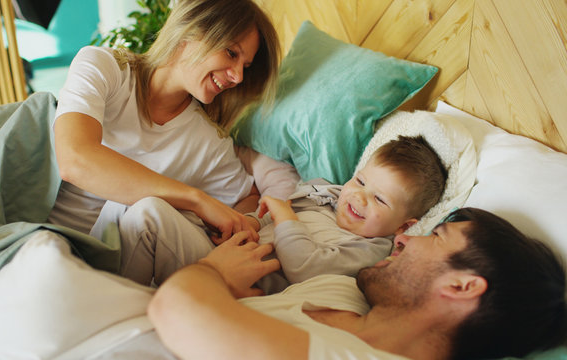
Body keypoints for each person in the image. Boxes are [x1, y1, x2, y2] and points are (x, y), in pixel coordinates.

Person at [147, 207, 567, 360]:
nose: (404, 236)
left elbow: (177, 309)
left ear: (461, 287)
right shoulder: (341, 290)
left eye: (435, 237)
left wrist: (213, 272)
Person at [47, 0, 281, 242]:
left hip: (118, 264)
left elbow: (248, 197)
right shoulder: (105, 68)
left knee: (146, 209)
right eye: (231, 53)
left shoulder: (208, 141)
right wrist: (196, 200)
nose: (238, 76)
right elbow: (74, 160)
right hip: (52, 244)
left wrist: (237, 227)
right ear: (189, 31)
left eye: (245, 66)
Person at [95, 135, 447, 293]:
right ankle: (105, 287)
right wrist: (247, 224)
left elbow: (305, 268)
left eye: (380, 199)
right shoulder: (326, 192)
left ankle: (115, 307)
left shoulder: (371, 250)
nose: (360, 197)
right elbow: (264, 216)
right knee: (134, 203)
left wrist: (285, 218)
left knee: (148, 216)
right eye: (360, 180)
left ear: (405, 225)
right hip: (227, 248)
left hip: (243, 279)